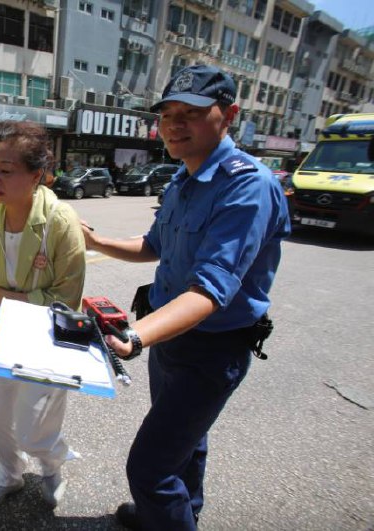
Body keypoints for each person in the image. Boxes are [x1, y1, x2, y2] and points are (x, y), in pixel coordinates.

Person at [81, 65, 290, 530]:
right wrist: (96, 242)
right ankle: (180, 511)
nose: (174, 124)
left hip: (211, 350)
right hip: (168, 339)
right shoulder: (182, 179)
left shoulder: (247, 185)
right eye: (167, 113)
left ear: (228, 114)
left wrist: (135, 337)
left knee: (149, 468)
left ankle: (167, 511)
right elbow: (153, 246)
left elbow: (209, 292)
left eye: (191, 113)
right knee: (187, 443)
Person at [0, 121, 86, 509]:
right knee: (1, 415)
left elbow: (65, 298)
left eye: (6, 171)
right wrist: (4, 298)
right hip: (2, 331)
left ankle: (52, 467)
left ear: (36, 176)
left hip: (47, 337)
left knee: (35, 426)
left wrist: (0, 296)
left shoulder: (61, 222)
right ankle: (9, 476)